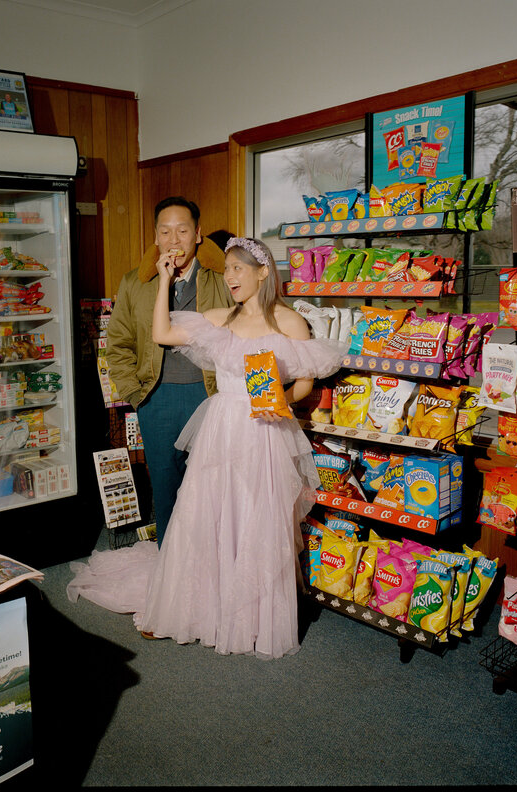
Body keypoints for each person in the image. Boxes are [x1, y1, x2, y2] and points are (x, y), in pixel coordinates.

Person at [70, 237, 348, 659]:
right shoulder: (221, 318)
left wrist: (278, 400)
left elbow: (305, 383)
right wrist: (164, 279)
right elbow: (162, 332)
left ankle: (250, 618)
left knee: (258, 517)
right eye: (228, 269)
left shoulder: (289, 322)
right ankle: (198, 609)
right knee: (206, 513)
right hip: (221, 425)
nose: (231, 276)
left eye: (239, 268)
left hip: (265, 430)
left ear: (263, 273)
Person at [106, 197, 233, 546]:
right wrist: (136, 395)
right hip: (156, 398)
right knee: (164, 489)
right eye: (165, 231)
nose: (173, 240)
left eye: (182, 230)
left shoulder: (222, 280)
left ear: (198, 235)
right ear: (156, 237)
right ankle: (169, 573)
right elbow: (117, 343)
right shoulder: (135, 282)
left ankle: (210, 569)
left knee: (212, 489)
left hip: (210, 396)